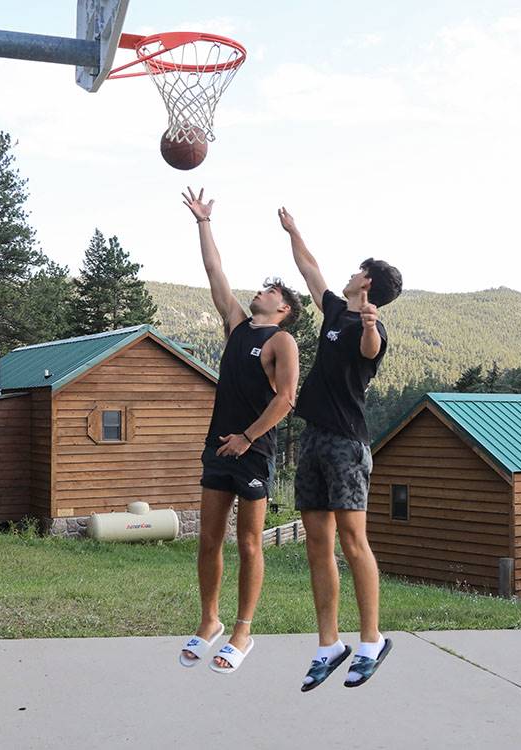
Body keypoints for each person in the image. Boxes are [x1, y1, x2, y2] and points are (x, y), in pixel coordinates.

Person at [278, 206, 403, 690]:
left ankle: (371, 640)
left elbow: (370, 350)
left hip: (347, 446)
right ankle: (329, 643)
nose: (350, 274)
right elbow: (309, 268)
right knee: (317, 545)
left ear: (366, 283)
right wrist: (294, 231)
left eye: (358, 269)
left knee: (353, 543)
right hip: (313, 439)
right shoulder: (334, 309)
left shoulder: (370, 328)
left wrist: (371, 323)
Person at [178, 188, 301, 674]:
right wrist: (203, 223)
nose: (262, 292)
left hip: (252, 451)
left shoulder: (281, 340)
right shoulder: (236, 325)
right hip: (217, 448)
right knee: (208, 540)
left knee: (248, 543)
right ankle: (209, 621)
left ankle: (243, 631)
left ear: (283, 307)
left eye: (272, 292)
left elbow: (286, 399)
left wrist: (247, 438)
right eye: (263, 289)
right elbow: (214, 272)